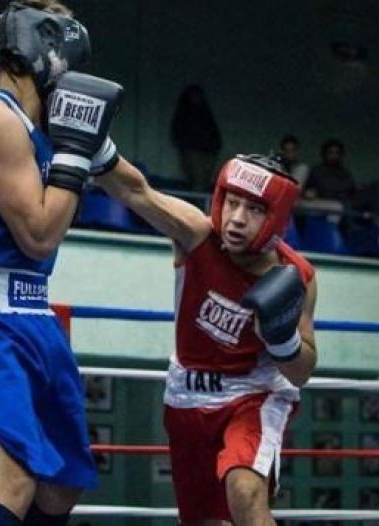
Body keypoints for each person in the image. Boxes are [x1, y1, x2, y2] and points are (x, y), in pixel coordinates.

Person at [0, 0, 122, 526]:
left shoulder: (47, 134)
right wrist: (76, 155)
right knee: (10, 482)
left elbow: (136, 188)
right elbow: (38, 235)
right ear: (42, 45)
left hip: (34, 313)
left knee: (60, 488)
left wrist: (198, 231)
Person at [95, 153, 319, 525]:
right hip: (186, 398)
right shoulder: (196, 235)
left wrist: (283, 341)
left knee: (244, 492)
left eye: (254, 209)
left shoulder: (296, 276)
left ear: (277, 217)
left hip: (252, 395)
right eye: (232, 202)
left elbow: (301, 372)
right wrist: (94, 146)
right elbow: (137, 191)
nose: (236, 219)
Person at [170, 84, 222, 192]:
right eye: (194, 96)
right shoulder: (184, 115)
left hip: (209, 150)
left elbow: (214, 133)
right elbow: (179, 133)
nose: (196, 99)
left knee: (204, 181)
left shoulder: (206, 114)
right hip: (192, 150)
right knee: (197, 182)